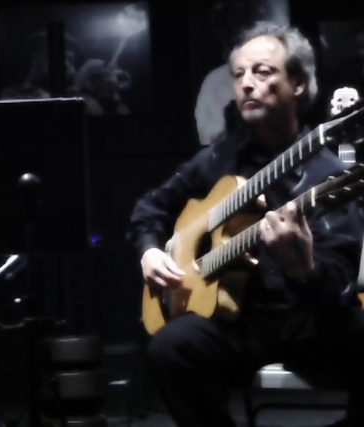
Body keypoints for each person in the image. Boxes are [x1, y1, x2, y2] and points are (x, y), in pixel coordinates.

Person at [128, 22, 364, 427]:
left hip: (309, 321)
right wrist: (150, 250)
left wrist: (303, 269)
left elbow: (339, 281)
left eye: (263, 72)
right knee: (170, 349)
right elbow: (152, 206)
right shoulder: (221, 156)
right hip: (239, 323)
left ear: (299, 84)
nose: (247, 84)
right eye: (239, 75)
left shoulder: (327, 176)